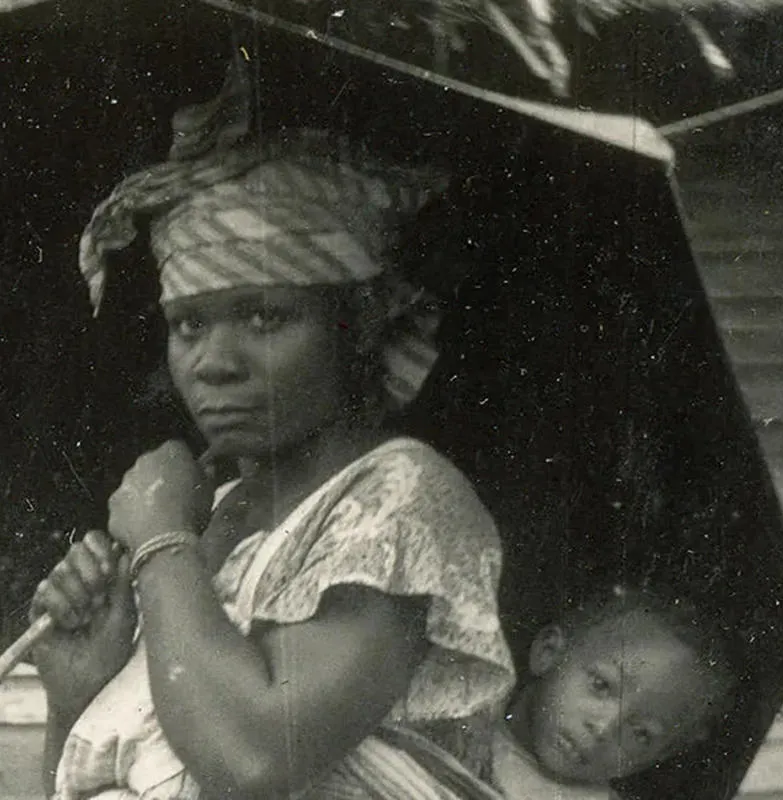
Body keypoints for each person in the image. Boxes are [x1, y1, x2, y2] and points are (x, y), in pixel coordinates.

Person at [28, 61, 515, 800]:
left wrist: (161, 541)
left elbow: (255, 759)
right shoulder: (219, 509)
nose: (213, 363)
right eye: (188, 324)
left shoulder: (404, 501)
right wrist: (78, 691)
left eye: (264, 316)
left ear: (357, 327)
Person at [493, 585, 739, 800]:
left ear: (661, 754)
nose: (604, 728)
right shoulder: (462, 721)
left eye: (641, 733)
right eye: (601, 686)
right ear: (548, 652)